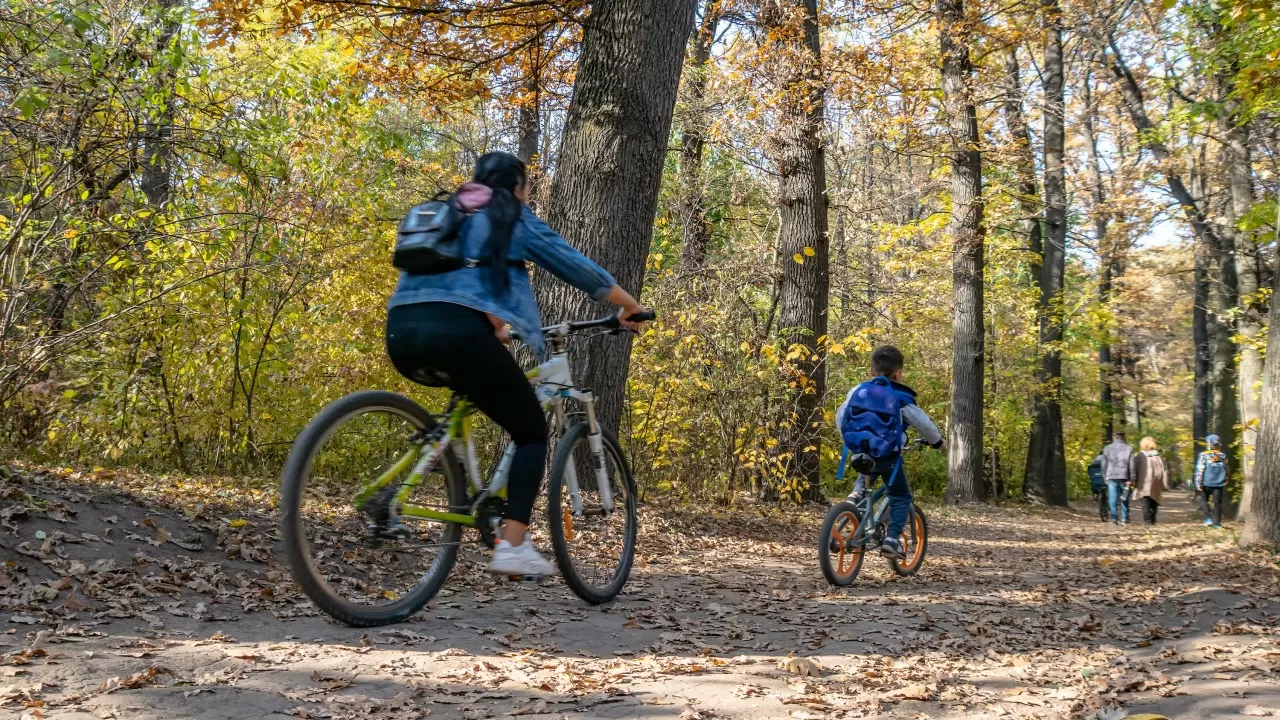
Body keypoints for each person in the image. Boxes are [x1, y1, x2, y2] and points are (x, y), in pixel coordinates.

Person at [385, 151, 648, 576]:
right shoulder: (509, 215)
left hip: (402, 332)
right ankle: (513, 545)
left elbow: (455, 284)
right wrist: (629, 305)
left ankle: (436, 496)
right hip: (459, 334)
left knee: (473, 381)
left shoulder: (451, 213)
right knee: (531, 432)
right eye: (526, 189)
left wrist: (496, 325)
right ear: (518, 188)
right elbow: (578, 268)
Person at [836, 346, 944, 560]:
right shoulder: (901, 397)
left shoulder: (859, 390)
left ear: (871, 371)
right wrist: (938, 442)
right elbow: (924, 424)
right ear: (898, 373)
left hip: (861, 452)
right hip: (887, 457)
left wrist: (851, 441)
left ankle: (853, 498)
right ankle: (892, 540)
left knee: (866, 476)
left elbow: (841, 416)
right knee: (901, 497)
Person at [1195, 434, 1229, 529]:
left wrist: (1198, 482)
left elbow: (1200, 470)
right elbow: (1227, 469)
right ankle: (1217, 523)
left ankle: (1207, 519)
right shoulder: (1223, 456)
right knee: (1217, 502)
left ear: (1209, 444)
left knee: (1204, 500)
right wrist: (1226, 479)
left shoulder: (1203, 455)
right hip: (1219, 483)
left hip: (1206, 483)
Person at [1132, 436, 1168, 525]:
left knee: (1145, 501)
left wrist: (1133, 480)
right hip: (1156, 482)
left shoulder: (1141, 455)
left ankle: (1147, 520)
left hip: (1144, 482)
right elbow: (1164, 469)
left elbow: (1135, 468)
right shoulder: (1158, 455)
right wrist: (1164, 483)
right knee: (1154, 500)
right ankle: (1153, 519)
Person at [1101, 432, 1134, 525]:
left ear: (1114, 438)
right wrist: (1132, 478)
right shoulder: (1129, 448)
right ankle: (1124, 518)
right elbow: (1132, 466)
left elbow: (1103, 465)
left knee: (1113, 498)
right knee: (1125, 497)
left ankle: (1114, 519)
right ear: (1123, 438)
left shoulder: (1107, 448)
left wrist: (1105, 477)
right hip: (1125, 477)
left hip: (1111, 476)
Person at [1088, 451, 1108, 522]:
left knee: (1094, 485)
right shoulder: (1106, 459)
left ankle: (1094, 495)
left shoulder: (1094, 462)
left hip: (1095, 483)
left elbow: (1089, 473)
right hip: (1104, 481)